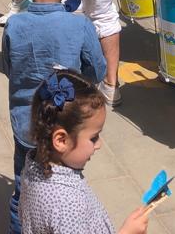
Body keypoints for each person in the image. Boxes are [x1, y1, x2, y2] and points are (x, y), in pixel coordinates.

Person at [4, 0, 107, 234]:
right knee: (66, 182)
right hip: (68, 125)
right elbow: (96, 69)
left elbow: (10, 68)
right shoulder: (80, 26)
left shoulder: (14, 25)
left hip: (26, 125)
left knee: (23, 188)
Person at [19, 70, 150, 234]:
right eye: (94, 137)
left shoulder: (32, 167)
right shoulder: (69, 203)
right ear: (61, 140)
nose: (99, 144)